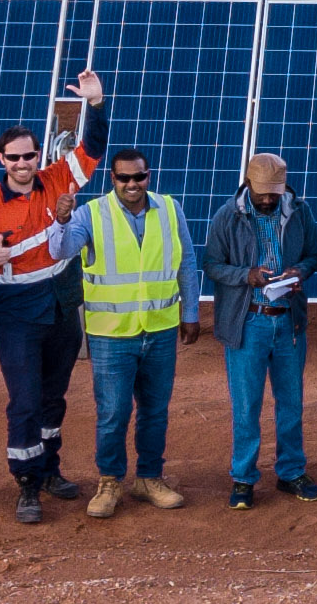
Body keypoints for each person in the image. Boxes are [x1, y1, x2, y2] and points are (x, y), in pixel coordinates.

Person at [0, 73, 106, 524]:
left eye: (30, 155)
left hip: (60, 300)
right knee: (25, 399)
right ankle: (27, 483)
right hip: (16, 309)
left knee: (54, 395)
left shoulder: (58, 179)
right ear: (2, 159)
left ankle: (50, 468)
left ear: (39, 156)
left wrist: (95, 105)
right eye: (14, 157)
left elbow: (92, 149)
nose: (23, 163)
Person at [36, 142, 201, 517]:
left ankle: (148, 478)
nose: (132, 183)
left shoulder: (171, 210)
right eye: (124, 177)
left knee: (155, 411)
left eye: (138, 176)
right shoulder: (91, 214)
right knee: (113, 412)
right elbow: (59, 252)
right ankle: (109, 481)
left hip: (160, 329)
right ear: (113, 178)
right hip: (111, 334)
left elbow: (186, 262)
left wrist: (189, 312)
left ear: (148, 176)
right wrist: (60, 221)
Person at [207, 153, 317, 508]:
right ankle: (243, 478)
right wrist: (245, 275)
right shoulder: (228, 217)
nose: (269, 199)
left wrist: (298, 273)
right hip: (248, 321)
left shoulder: (299, 212)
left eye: (275, 192)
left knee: (291, 401)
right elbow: (212, 264)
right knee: (247, 404)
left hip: (288, 319)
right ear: (248, 184)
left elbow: (312, 256)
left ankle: (291, 472)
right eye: (263, 193)